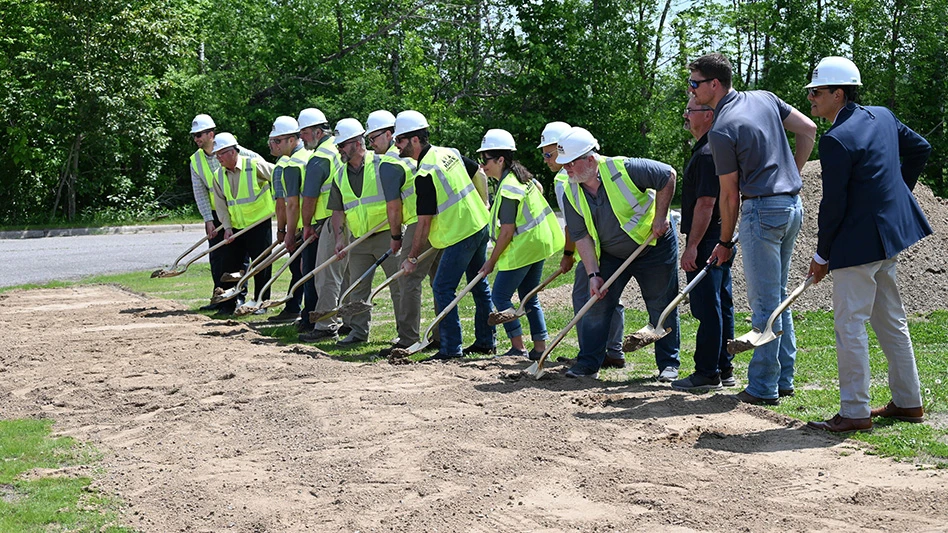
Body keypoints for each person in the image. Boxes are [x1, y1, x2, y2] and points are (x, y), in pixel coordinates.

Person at [802, 57, 932, 433]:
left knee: (850, 326)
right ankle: (909, 403)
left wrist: (821, 254)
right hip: (888, 238)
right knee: (891, 322)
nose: (811, 97)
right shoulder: (883, 116)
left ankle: (855, 411)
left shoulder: (836, 140)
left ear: (838, 93)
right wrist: (895, 196)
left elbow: (834, 206)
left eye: (817, 91)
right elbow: (920, 148)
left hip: (857, 249)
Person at [690, 53, 817, 405]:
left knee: (763, 305)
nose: (691, 90)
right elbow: (808, 129)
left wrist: (725, 241)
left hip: (761, 210)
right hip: (792, 205)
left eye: (695, 84)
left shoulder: (722, 128)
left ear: (714, 85)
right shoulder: (763, 97)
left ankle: (763, 387)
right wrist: (792, 171)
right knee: (777, 298)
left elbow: (729, 197)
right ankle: (784, 378)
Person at [557, 127, 680, 380]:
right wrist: (593, 274)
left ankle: (669, 364)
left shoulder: (623, 168)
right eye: (564, 164)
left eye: (570, 163)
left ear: (589, 160)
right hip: (612, 254)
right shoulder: (571, 191)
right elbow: (581, 236)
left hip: (653, 247)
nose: (566, 169)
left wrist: (660, 217)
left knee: (661, 305)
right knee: (597, 304)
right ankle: (589, 363)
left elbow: (668, 174)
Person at [396, 110, 496, 359]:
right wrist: (485, 204)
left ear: (415, 140)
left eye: (400, 140)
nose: (396, 146)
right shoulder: (448, 152)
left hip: (461, 234)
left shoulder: (425, 173)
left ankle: (451, 348)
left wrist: (412, 257)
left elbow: (424, 223)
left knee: (442, 287)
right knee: (478, 284)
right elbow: (479, 173)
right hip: (479, 225)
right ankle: (486, 341)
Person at [540, 121, 627, 367]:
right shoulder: (589, 170)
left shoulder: (564, 180)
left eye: (549, 154)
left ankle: (592, 353)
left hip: (593, 251)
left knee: (585, 298)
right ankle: (613, 350)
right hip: (604, 246)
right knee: (610, 297)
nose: (546, 160)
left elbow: (572, 225)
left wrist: (569, 254)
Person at [476, 129, 564, 358]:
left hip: (524, 247)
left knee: (500, 296)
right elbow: (539, 189)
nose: (483, 166)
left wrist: (491, 262)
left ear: (501, 159)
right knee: (529, 296)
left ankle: (518, 347)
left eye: (485, 160)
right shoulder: (520, 177)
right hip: (537, 244)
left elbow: (506, 232)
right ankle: (539, 349)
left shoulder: (509, 187)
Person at [328, 118, 413, 347]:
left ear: (357, 143)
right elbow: (338, 210)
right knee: (358, 288)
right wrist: (339, 238)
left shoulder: (382, 164)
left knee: (398, 287)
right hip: (359, 240)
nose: (339, 150)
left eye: (342, 145)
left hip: (387, 235)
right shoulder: (339, 174)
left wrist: (397, 233)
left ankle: (404, 334)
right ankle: (358, 331)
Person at [671, 97, 736, 392]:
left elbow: (706, 204)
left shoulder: (709, 153)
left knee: (708, 307)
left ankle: (708, 372)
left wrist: (692, 246)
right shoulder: (710, 149)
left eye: (691, 110)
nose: (686, 115)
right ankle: (724, 367)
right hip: (716, 238)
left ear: (708, 115)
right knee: (720, 304)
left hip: (708, 239)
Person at [365, 111, 441, 356]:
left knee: (409, 279)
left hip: (420, 224)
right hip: (440, 223)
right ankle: (443, 335)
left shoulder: (389, 162)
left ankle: (407, 338)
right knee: (439, 281)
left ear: (391, 134)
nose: (371, 144)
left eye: (374, 137)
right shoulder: (417, 155)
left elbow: (393, 205)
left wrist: (396, 236)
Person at [295, 108, 351, 342]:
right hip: (351, 218)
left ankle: (326, 326)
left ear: (318, 132)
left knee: (326, 276)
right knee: (347, 274)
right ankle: (348, 321)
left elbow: (309, 198)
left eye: (305, 133)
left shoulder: (319, 158)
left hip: (329, 220)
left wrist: (306, 225)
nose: (302, 138)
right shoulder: (337, 150)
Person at [188, 114, 255, 310]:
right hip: (216, 214)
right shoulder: (196, 160)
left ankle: (239, 295)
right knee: (217, 256)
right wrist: (208, 219)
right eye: (194, 136)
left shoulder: (231, 149)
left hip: (238, 212)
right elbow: (199, 191)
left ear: (211, 133)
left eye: (199, 134)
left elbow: (256, 164)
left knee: (238, 256)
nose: (196, 139)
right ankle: (219, 296)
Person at [210, 133, 276, 315]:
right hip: (236, 228)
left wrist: (283, 200)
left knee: (261, 265)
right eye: (217, 154)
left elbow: (279, 176)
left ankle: (261, 302)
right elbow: (221, 204)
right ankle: (228, 304)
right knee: (230, 266)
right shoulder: (218, 175)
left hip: (259, 225)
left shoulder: (253, 165)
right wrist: (227, 227)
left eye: (221, 154)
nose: (218, 158)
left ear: (232, 152)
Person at [267, 116, 310, 323]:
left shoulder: (291, 164)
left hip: (304, 227)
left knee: (302, 270)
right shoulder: (307, 156)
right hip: (308, 225)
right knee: (302, 271)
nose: (273, 145)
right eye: (272, 141)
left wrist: (287, 231)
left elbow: (288, 204)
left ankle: (300, 310)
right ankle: (298, 309)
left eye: (277, 141)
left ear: (292, 140)